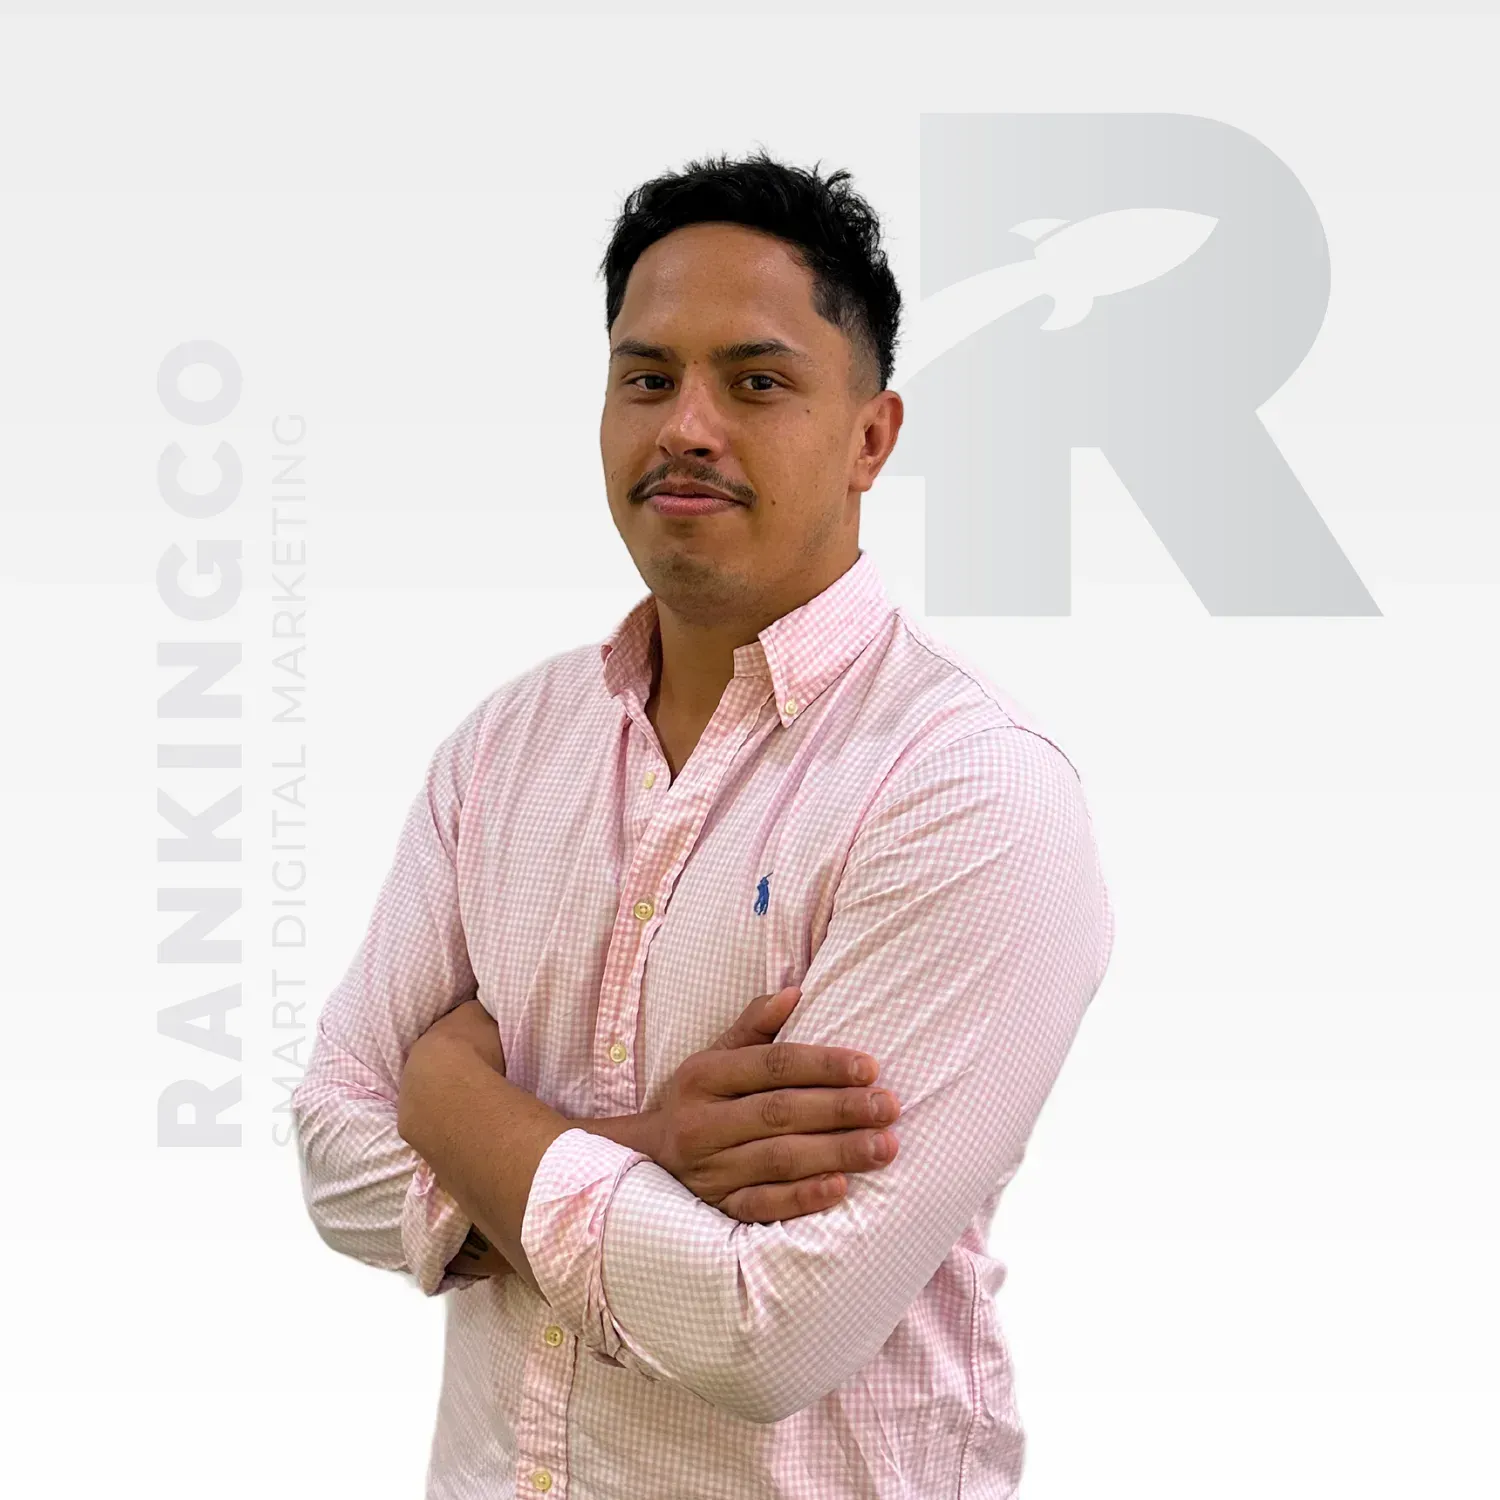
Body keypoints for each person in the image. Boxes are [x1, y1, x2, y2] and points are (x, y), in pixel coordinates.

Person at [292, 148, 1115, 1500]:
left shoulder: (964, 789)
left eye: (758, 380)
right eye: (646, 376)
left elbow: (766, 1327)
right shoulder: (504, 752)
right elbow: (329, 1155)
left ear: (872, 436)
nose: (687, 425)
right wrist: (643, 1155)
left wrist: (452, 1098)